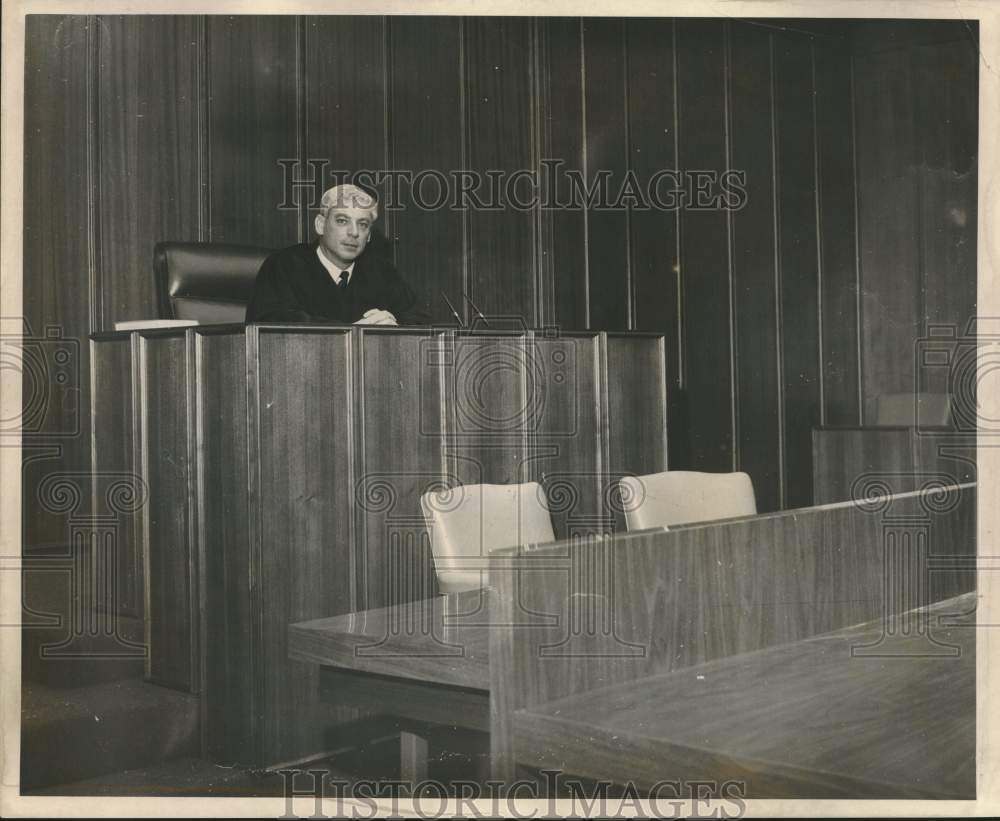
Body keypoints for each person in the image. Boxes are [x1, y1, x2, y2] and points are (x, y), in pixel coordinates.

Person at [245, 184, 428, 324]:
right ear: (320, 225)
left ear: (369, 235)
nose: (354, 232)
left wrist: (395, 326)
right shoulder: (284, 265)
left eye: (363, 224)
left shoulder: (382, 272)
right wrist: (355, 332)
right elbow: (272, 321)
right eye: (342, 221)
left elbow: (419, 320)